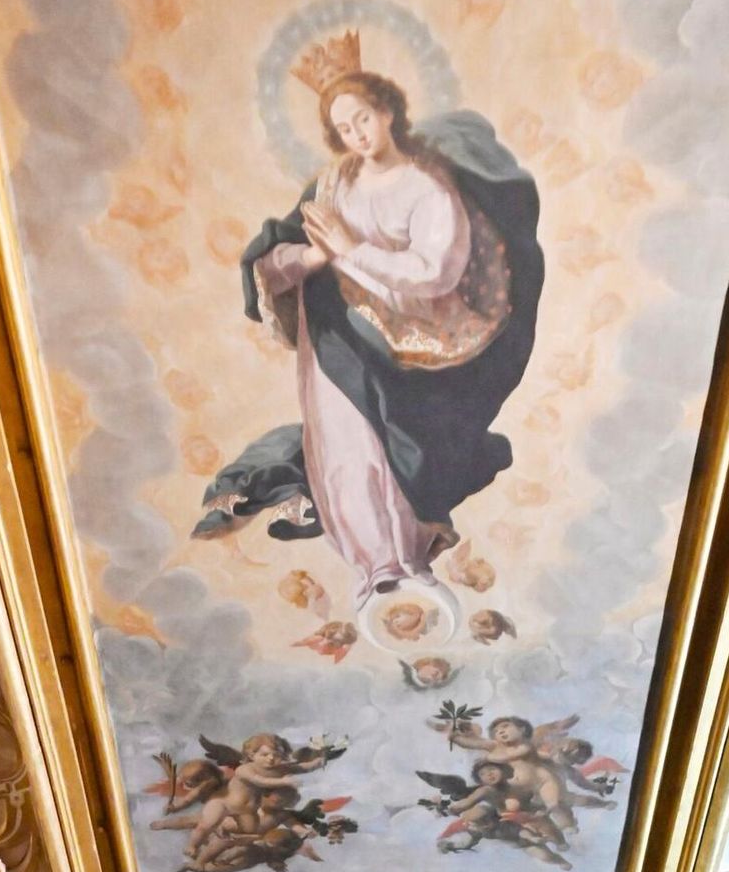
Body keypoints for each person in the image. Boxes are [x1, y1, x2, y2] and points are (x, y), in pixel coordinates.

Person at [197, 33, 542, 605]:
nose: (357, 134)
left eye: (363, 118)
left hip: (409, 338)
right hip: (336, 331)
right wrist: (313, 257)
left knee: (397, 444)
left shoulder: (428, 186)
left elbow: (435, 271)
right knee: (344, 441)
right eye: (345, 128)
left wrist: (351, 249)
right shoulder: (332, 185)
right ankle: (375, 562)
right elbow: (283, 250)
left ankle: (408, 552)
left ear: (387, 112)